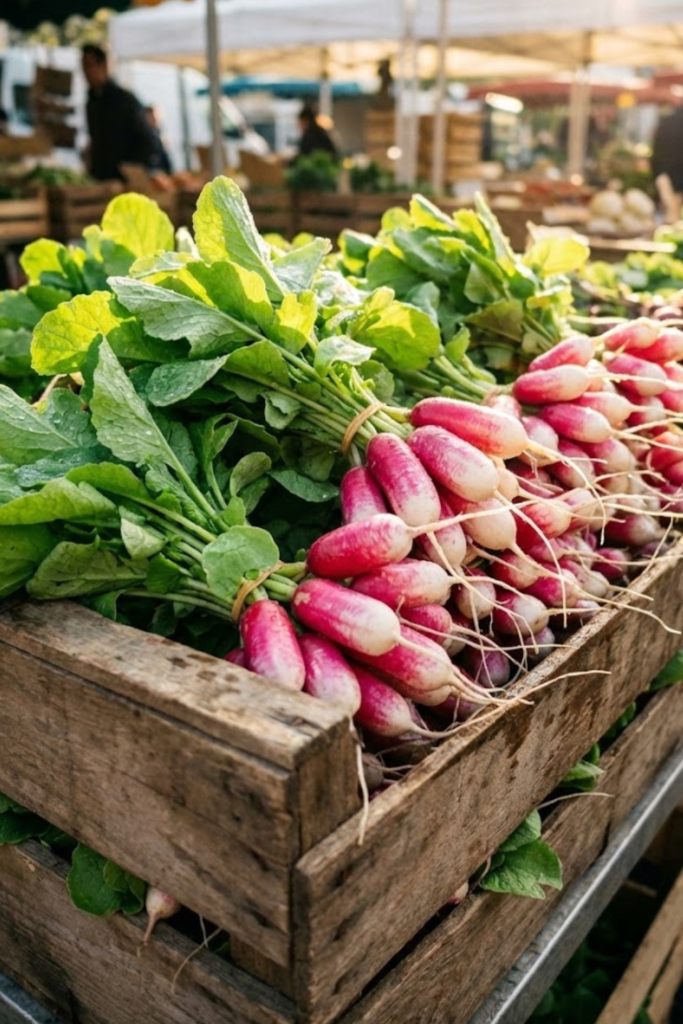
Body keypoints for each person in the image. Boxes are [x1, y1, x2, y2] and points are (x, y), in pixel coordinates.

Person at [81, 44, 158, 181]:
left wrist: (128, 171)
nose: (85, 72)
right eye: (83, 66)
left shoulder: (125, 100)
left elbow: (148, 141)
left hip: (122, 181)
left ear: (103, 65)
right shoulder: (91, 102)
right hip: (99, 180)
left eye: (89, 65)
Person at [651, 105, 683, 208]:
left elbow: (656, 150)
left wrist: (657, 174)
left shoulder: (666, 121)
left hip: (665, 176)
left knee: (669, 211)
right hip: (678, 176)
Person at [143, 105, 173, 176]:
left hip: (163, 172)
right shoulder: (147, 135)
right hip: (154, 173)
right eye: (152, 116)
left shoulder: (159, 132)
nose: (155, 118)